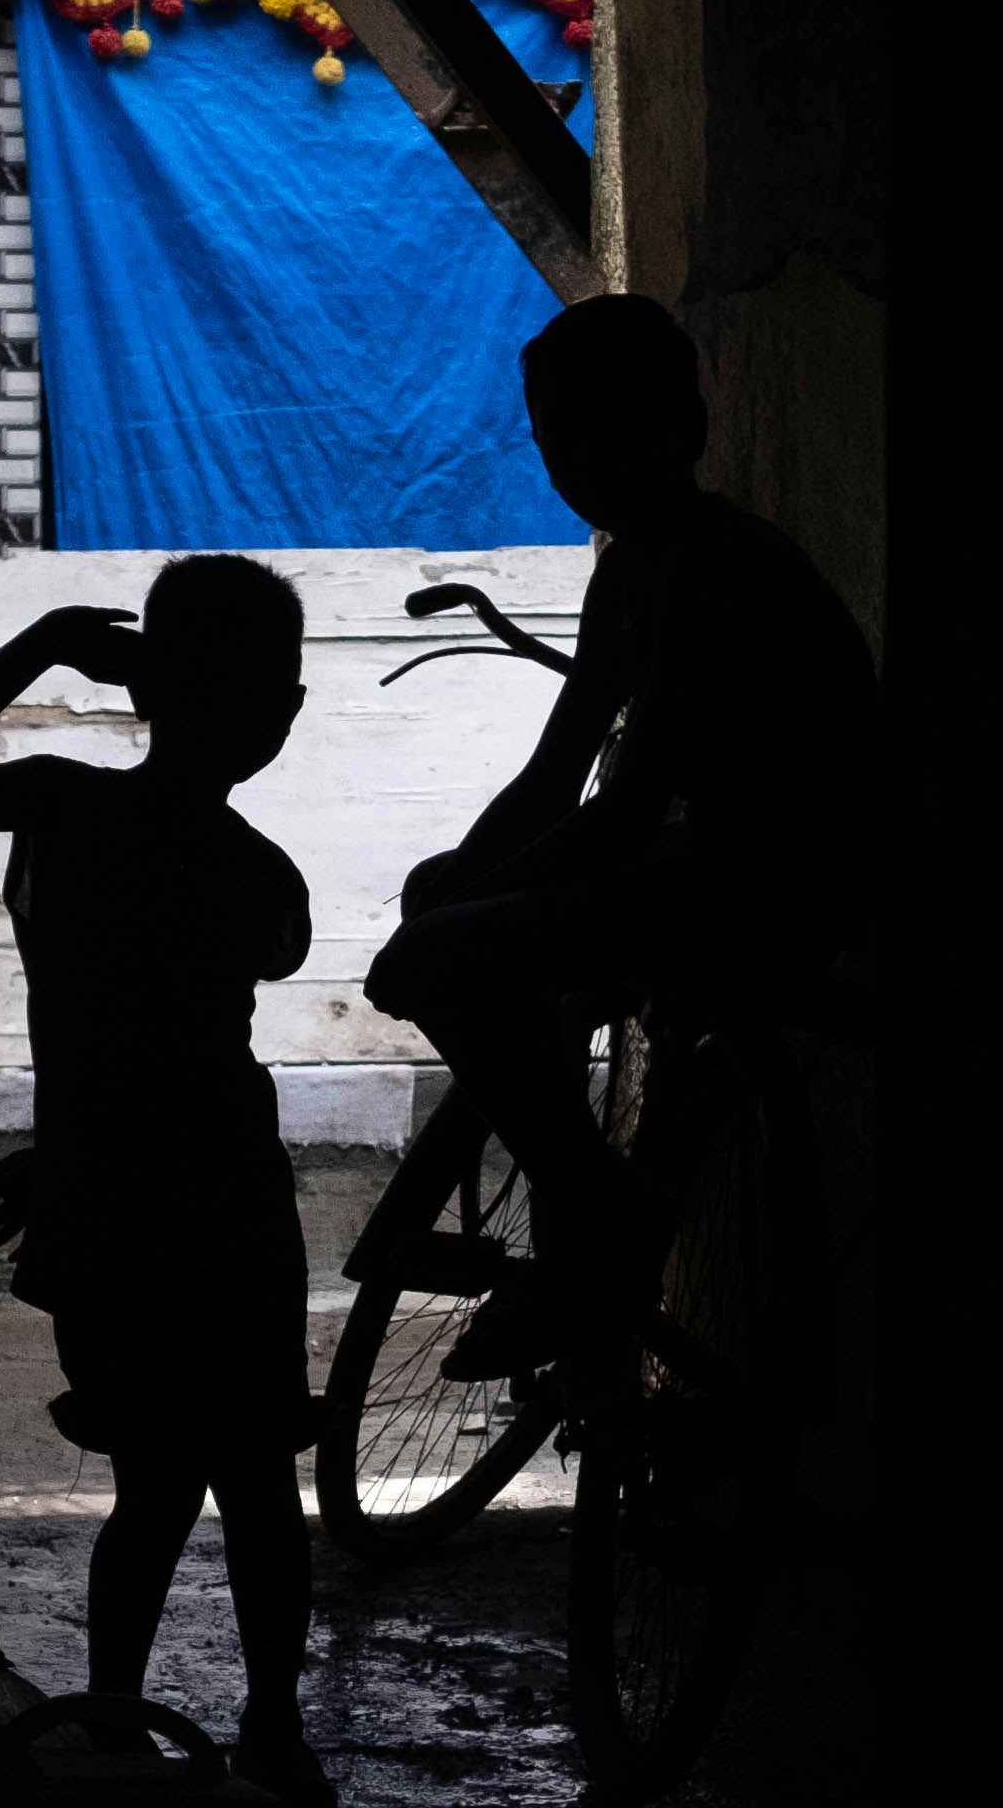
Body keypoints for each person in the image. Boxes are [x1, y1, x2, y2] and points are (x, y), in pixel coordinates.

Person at [0, 554, 334, 1808]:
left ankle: (121, 1712)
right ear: (281, 710)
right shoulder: (258, 875)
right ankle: (271, 1724)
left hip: (111, 1193)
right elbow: (200, 1016)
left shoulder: (62, 813)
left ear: (142, 688)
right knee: (253, 1482)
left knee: (151, 1486)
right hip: (224, 1191)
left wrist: (43, 644)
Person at [361, 294, 878, 1366]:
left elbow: (621, 810)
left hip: (779, 889)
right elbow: (554, 778)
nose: (569, 464)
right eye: (553, 440)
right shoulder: (633, 566)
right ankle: (590, 1205)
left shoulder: (714, 569)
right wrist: (457, 886)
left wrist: (450, 926)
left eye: (594, 435)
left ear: (678, 433)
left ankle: (594, 1218)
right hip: (700, 871)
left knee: (443, 948)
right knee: (437, 897)